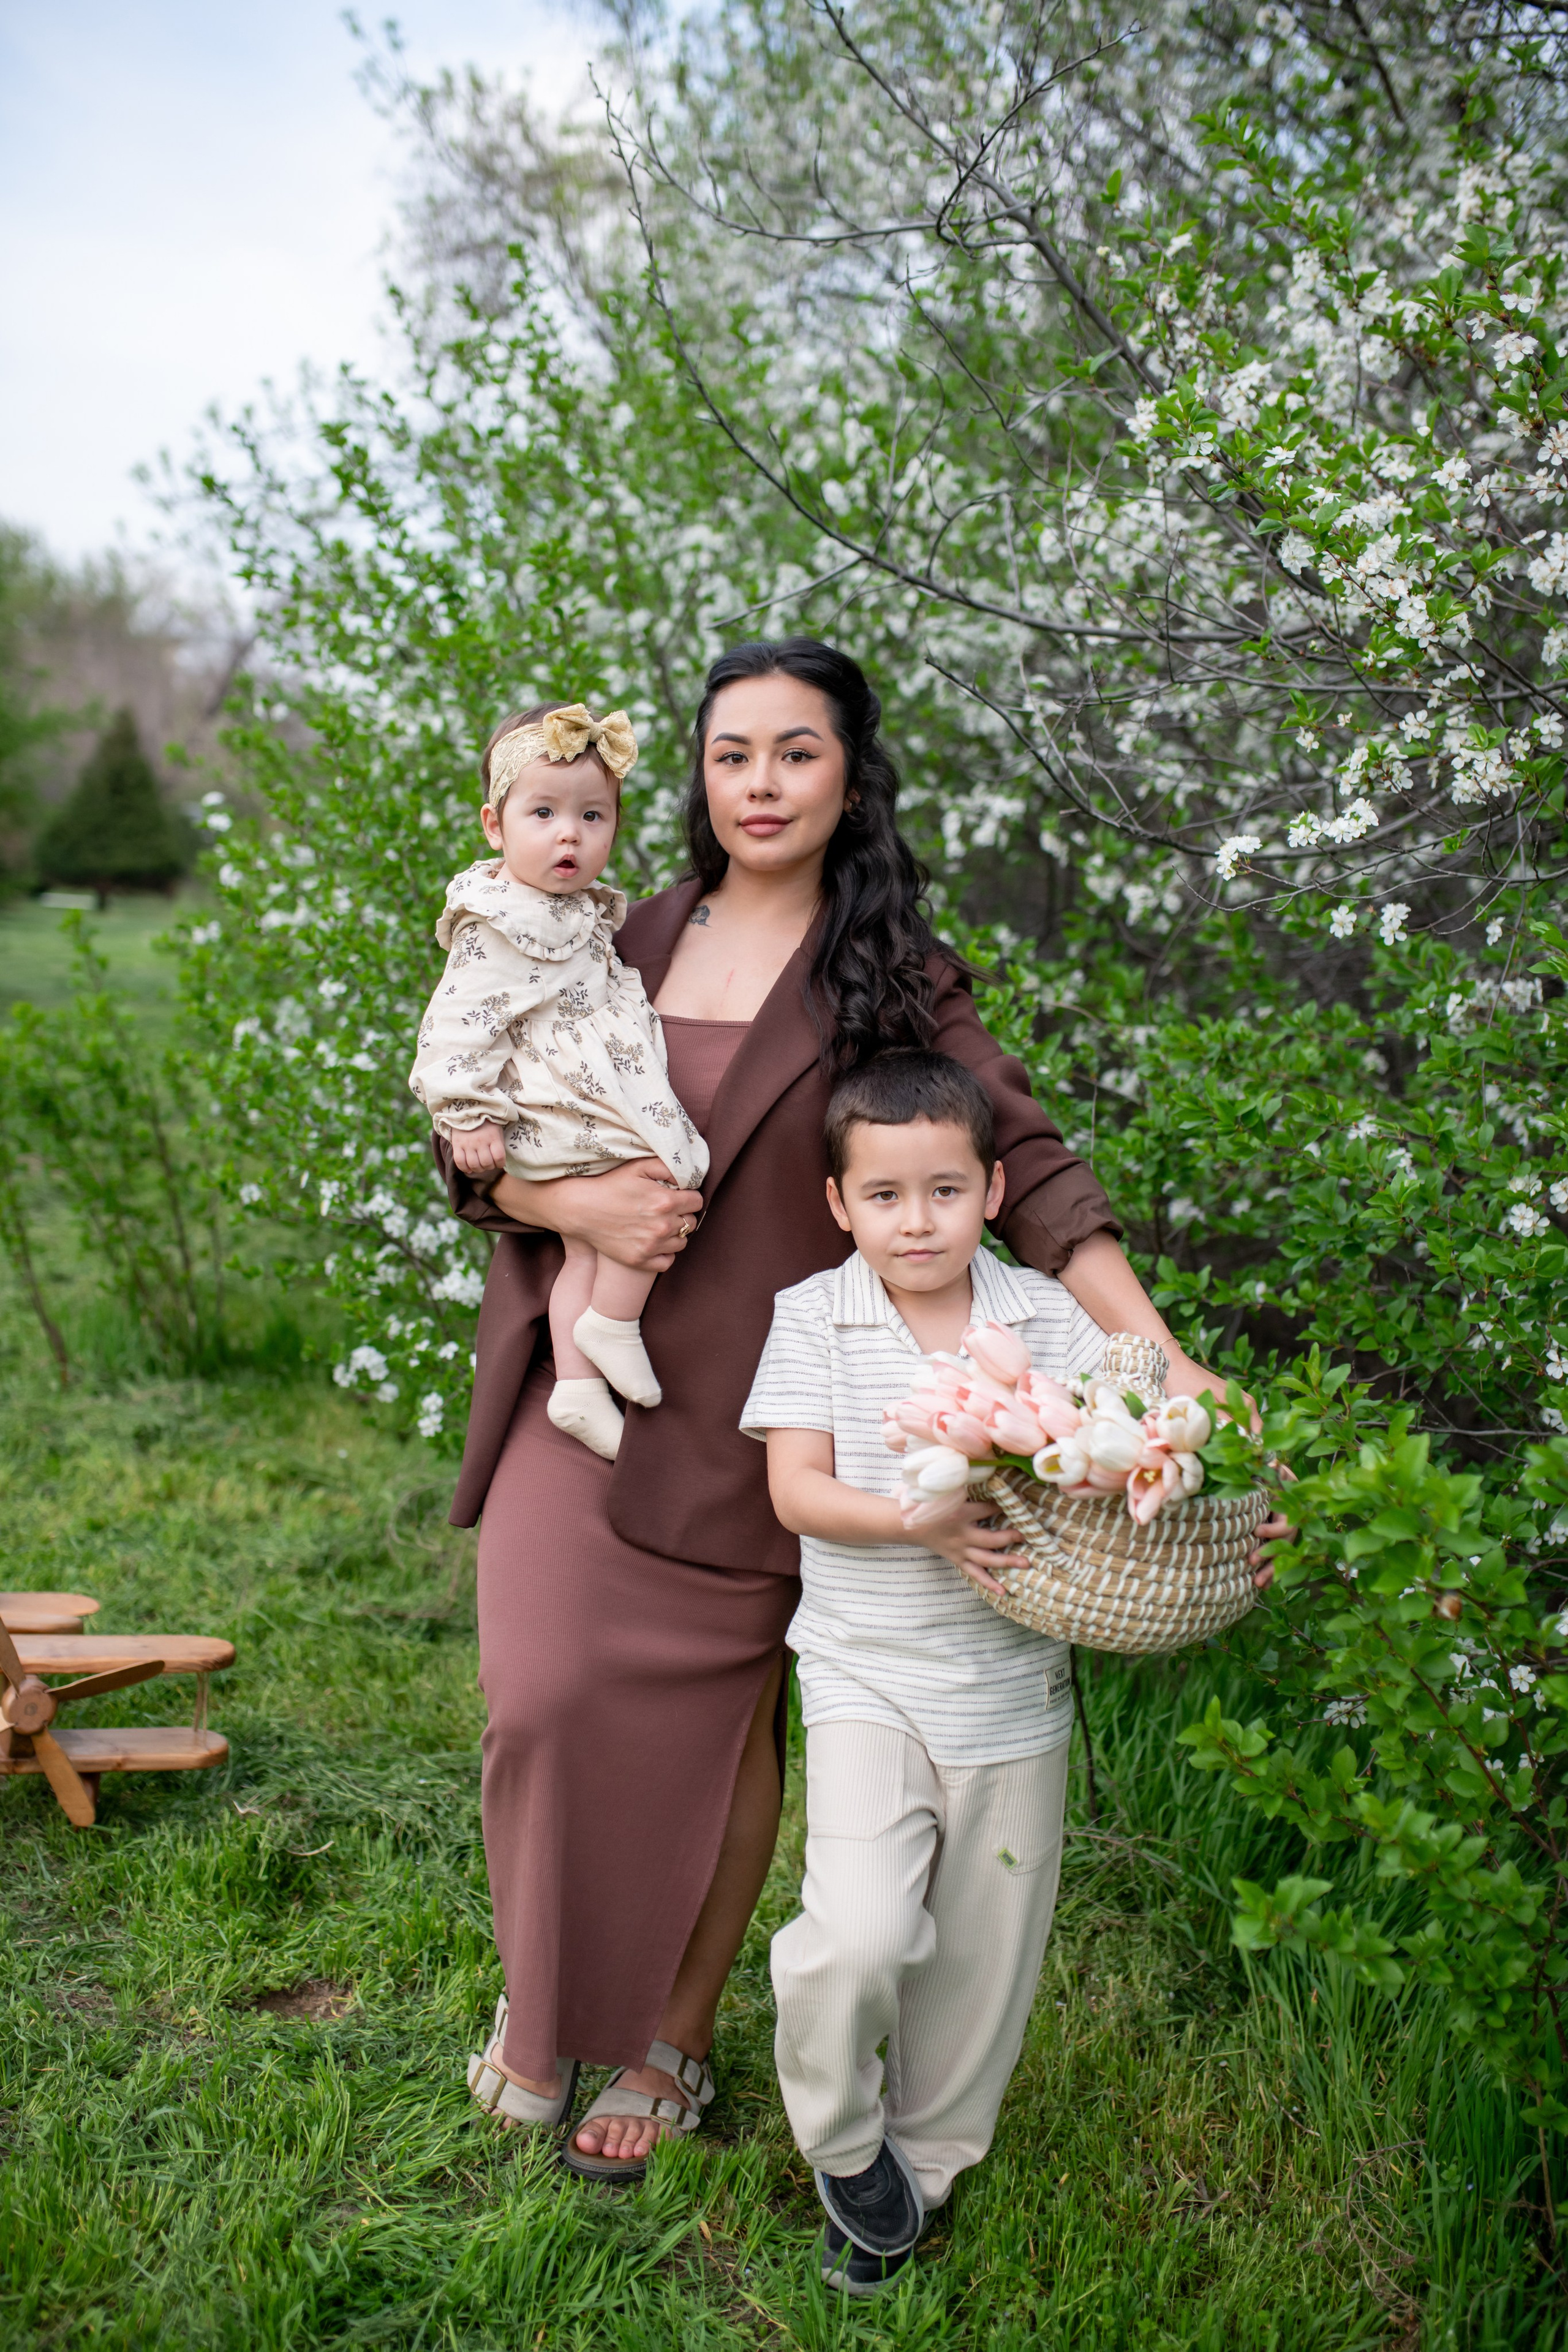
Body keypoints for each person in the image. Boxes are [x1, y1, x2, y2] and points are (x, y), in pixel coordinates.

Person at [440, 637, 1284, 2184]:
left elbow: (1019, 1159)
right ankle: (546, 1998)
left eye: (794, 753)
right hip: (586, 1375)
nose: (757, 783)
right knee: (538, 1702)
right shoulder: (605, 930)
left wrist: (1154, 1351)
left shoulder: (879, 966)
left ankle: (668, 2041)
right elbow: (464, 1133)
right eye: (728, 754)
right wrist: (581, 1205)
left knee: (721, 1730)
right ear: (690, 779)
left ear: (848, 776)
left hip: (769, 1419)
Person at [741, 1047, 1108, 2294]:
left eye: (943, 1191)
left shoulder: (1043, 1318)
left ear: (993, 1190)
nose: (916, 1221)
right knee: (859, 1931)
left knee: (978, 1965)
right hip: (864, 1675)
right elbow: (794, 1489)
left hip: (1014, 1689)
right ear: (839, 1204)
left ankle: (919, 2171)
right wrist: (922, 1522)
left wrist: (1124, 1468)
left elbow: (1112, 1442)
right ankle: (842, 2142)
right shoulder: (813, 1313)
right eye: (885, 1196)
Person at [410, 701, 704, 1458]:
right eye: (542, 812)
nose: (569, 834)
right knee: (667, 1173)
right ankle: (612, 1325)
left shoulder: (577, 912)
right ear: (494, 825)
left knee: (585, 1247)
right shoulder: (500, 918)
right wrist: (467, 1115)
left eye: (592, 816)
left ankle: (576, 1387)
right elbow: (456, 1023)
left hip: (579, 1100)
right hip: (550, 1114)